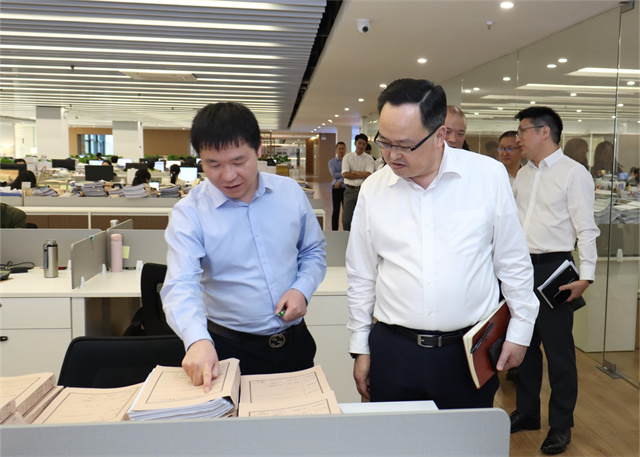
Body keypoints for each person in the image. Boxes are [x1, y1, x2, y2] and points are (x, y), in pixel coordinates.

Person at [347, 78, 538, 410]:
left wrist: (521, 330)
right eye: (385, 142)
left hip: (467, 352)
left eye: (405, 145)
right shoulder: (374, 189)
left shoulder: (487, 176)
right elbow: (361, 274)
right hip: (394, 351)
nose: (392, 155)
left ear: (439, 136)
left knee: (466, 437)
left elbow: (512, 262)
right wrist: (360, 346)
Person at [160, 102, 326, 391]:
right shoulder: (190, 212)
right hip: (228, 350)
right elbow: (180, 284)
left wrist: (302, 288)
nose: (228, 176)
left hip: (294, 344)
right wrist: (196, 339)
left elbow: (312, 251)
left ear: (259, 149)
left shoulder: (289, 193)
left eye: (238, 162)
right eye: (213, 164)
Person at [511, 106, 599, 455]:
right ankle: (528, 412)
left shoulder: (573, 173)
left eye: (522, 131)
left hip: (555, 269)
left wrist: (586, 277)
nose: (518, 138)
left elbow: (586, 229)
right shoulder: (524, 173)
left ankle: (561, 425)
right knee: (523, 345)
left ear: (544, 131)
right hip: (521, 268)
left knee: (559, 353)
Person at [341, 133, 374, 231]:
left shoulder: (369, 158)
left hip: (364, 190)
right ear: (355, 143)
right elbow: (345, 174)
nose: (361, 146)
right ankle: (347, 237)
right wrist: (362, 174)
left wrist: (353, 172)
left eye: (364, 144)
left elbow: (369, 174)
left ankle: (360, 238)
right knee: (346, 220)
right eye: (359, 143)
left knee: (363, 220)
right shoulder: (347, 157)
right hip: (350, 190)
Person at [328, 142, 346, 231]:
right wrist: (345, 175)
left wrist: (339, 181)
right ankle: (334, 231)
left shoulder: (348, 161)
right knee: (336, 210)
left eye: (343, 148)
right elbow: (334, 174)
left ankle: (347, 231)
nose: (341, 150)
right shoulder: (331, 162)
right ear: (336, 150)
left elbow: (350, 174)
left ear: (345, 150)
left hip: (346, 188)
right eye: (339, 149)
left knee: (346, 211)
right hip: (336, 188)